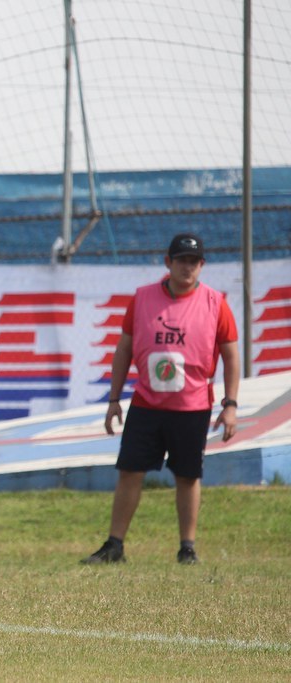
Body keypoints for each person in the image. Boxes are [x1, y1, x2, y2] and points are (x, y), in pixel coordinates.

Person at [81, 232, 239, 566]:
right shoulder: (142, 299)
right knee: (130, 471)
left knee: (187, 475)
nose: (187, 267)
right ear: (168, 263)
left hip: (192, 407)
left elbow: (231, 355)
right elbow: (124, 348)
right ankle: (114, 545)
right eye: (181, 260)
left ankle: (187, 548)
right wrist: (113, 399)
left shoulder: (215, 303)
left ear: (202, 266)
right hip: (146, 404)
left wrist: (230, 405)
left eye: (194, 262)